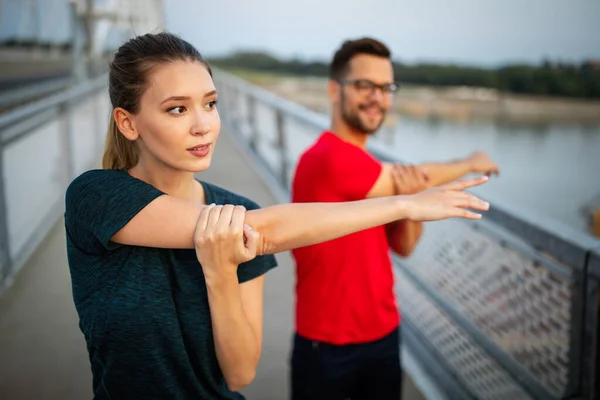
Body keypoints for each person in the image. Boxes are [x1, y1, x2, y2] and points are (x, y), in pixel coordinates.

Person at [64, 32, 491, 400]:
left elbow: (240, 374)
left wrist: (220, 275)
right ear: (128, 122)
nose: (204, 126)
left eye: (210, 104)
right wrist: (404, 202)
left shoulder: (243, 209)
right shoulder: (96, 196)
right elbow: (262, 231)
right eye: (177, 109)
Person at [290, 37, 501, 400]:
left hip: (384, 333)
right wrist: (469, 162)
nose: (377, 97)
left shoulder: (373, 170)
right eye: (364, 85)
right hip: (326, 345)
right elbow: (419, 177)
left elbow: (403, 246)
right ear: (333, 90)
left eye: (386, 87)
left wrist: (410, 203)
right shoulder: (327, 158)